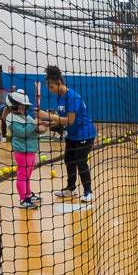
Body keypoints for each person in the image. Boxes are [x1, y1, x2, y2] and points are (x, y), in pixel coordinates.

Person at [38, 65, 96, 202]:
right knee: (69, 160)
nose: (50, 90)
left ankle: (88, 192)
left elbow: (70, 120)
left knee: (81, 162)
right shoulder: (60, 97)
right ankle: (71, 189)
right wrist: (51, 124)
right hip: (72, 135)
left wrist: (48, 115)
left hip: (85, 135)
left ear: (59, 83)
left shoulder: (73, 97)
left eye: (51, 87)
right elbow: (63, 120)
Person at [6, 90, 46, 209]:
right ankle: (23, 199)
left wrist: (42, 126)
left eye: (24, 106)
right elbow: (22, 132)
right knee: (22, 175)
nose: (24, 108)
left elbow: (33, 129)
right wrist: (34, 123)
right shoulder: (11, 117)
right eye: (21, 106)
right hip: (22, 152)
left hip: (31, 150)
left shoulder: (26, 116)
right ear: (13, 106)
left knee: (28, 175)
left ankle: (28, 194)